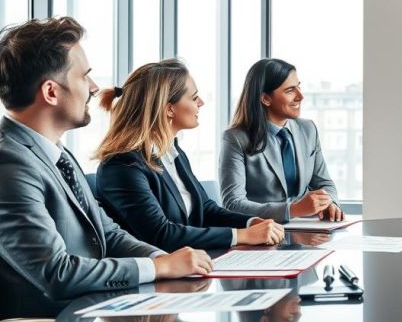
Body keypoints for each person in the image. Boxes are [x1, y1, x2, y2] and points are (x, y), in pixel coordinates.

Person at [0, 17, 213, 310]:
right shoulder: (9, 164)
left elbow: (108, 233)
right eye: (83, 76)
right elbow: (57, 273)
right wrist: (158, 268)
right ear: (51, 92)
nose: (94, 87)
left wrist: (161, 259)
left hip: (96, 310)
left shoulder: (56, 154)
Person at [95, 60, 285, 251]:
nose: (201, 103)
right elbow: (161, 234)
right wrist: (241, 235)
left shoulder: (171, 152)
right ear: (169, 108)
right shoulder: (122, 165)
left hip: (193, 262)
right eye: (194, 98)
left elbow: (205, 209)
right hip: (159, 274)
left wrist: (251, 223)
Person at [220, 58, 344, 222]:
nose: (300, 96)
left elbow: (324, 183)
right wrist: (292, 210)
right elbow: (233, 203)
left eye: (299, 87)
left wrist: (330, 203)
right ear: (265, 99)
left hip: (306, 231)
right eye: (290, 90)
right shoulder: (236, 139)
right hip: (261, 234)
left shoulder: (308, 130)